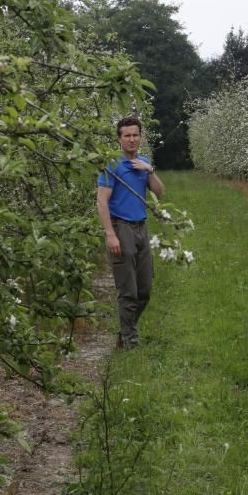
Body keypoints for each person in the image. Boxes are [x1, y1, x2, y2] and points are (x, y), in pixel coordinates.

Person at [96, 117, 165, 349]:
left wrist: (150, 170)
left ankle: (125, 332)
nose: (132, 139)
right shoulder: (112, 165)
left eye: (135, 135)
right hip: (121, 228)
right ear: (119, 138)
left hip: (141, 228)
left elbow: (160, 193)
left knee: (144, 289)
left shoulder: (143, 163)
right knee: (128, 291)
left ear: (140, 137)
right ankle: (130, 343)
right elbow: (102, 201)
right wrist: (110, 234)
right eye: (127, 135)